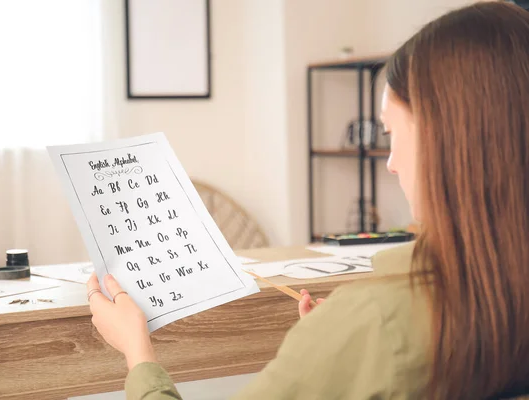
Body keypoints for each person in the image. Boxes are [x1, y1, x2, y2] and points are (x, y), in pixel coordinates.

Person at [86, 2, 529, 399]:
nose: (391, 164)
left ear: (451, 142)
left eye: (392, 135)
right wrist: (335, 351)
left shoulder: (376, 320)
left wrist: (137, 353)